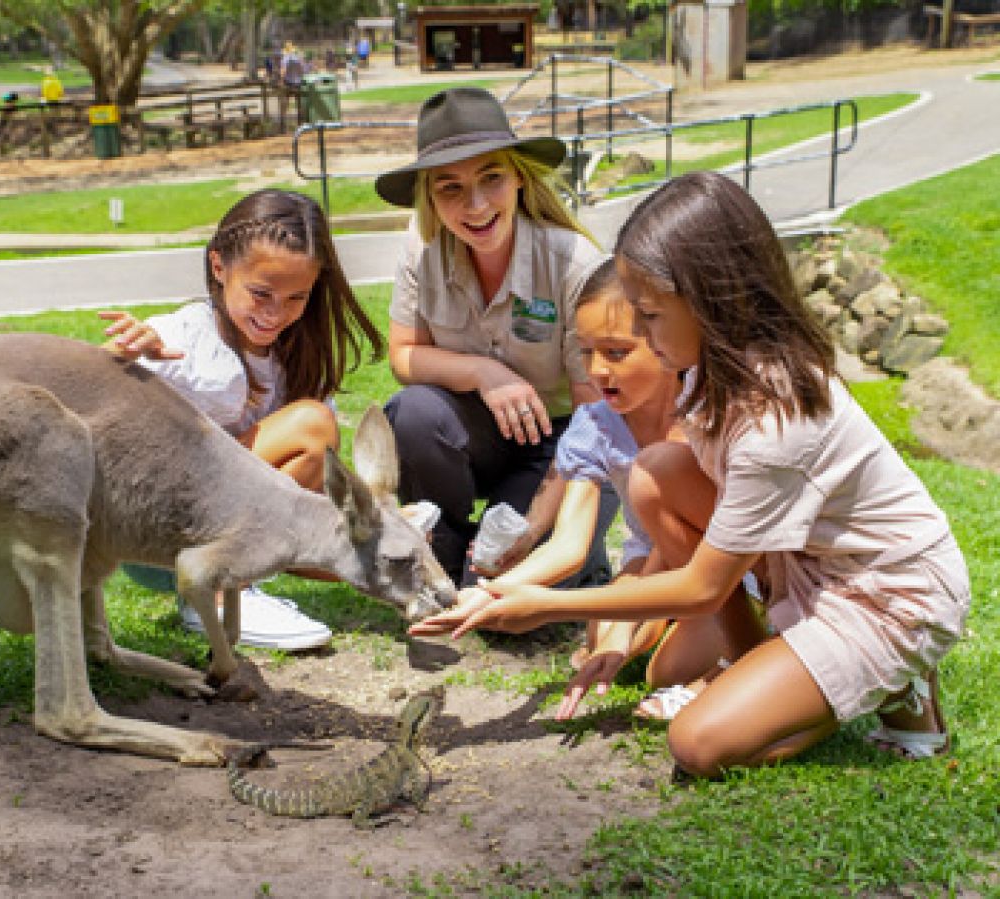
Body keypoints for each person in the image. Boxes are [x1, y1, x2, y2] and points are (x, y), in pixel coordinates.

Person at [412, 171, 971, 777]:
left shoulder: (773, 420)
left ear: (710, 301)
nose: (643, 336)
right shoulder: (706, 371)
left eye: (648, 317)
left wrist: (545, 606)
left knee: (698, 743)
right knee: (656, 473)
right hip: (799, 565)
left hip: (885, 592)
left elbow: (703, 586)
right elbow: (666, 543)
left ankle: (888, 685)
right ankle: (773, 669)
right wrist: (521, 595)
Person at [456, 258, 764, 721]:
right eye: (585, 352)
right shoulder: (595, 425)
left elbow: (670, 538)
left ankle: (754, 635)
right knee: (612, 647)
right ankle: (684, 633)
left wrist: (621, 619)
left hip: (728, 562)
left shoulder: (697, 412)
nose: (596, 371)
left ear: (663, 346)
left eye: (616, 352)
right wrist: (490, 593)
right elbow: (569, 545)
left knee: (661, 670)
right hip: (655, 562)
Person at [99, 189, 385, 651]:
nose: (275, 313)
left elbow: (304, 500)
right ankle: (214, 594)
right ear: (219, 267)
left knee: (353, 539)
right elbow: (81, 400)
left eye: (296, 297)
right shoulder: (180, 336)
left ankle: (235, 584)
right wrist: (122, 357)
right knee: (311, 427)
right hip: (155, 534)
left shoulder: (294, 359)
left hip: (209, 527)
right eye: (261, 293)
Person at [374, 86, 618, 589]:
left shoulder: (574, 263)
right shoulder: (420, 248)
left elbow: (596, 415)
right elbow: (403, 354)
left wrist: (534, 528)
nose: (476, 205)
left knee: (497, 592)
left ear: (520, 179)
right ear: (429, 198)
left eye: (492, 178)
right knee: (413, 411)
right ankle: (441, 545)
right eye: (450, 188)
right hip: (472, 435)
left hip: (563, 442)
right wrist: (486, 374)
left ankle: (575, 552)